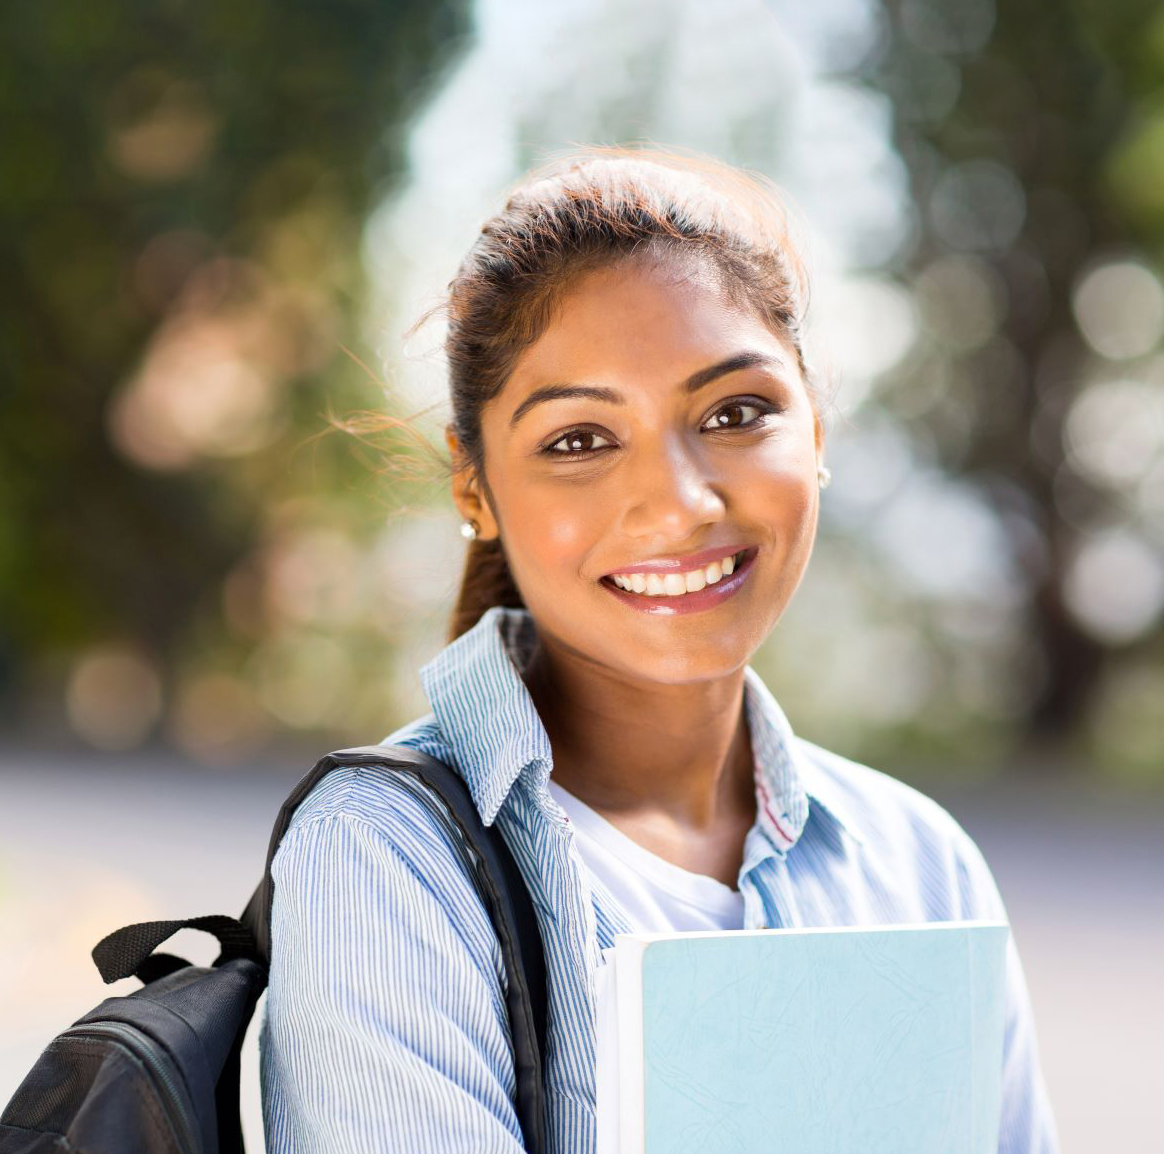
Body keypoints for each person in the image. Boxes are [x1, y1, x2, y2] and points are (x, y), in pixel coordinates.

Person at [257, 145, 1060, 1154]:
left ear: (815, 424)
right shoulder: (383, 859)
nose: (680, 501)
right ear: (474, 485)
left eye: (735, 413)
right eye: (579, 439)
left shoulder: (921, 865)